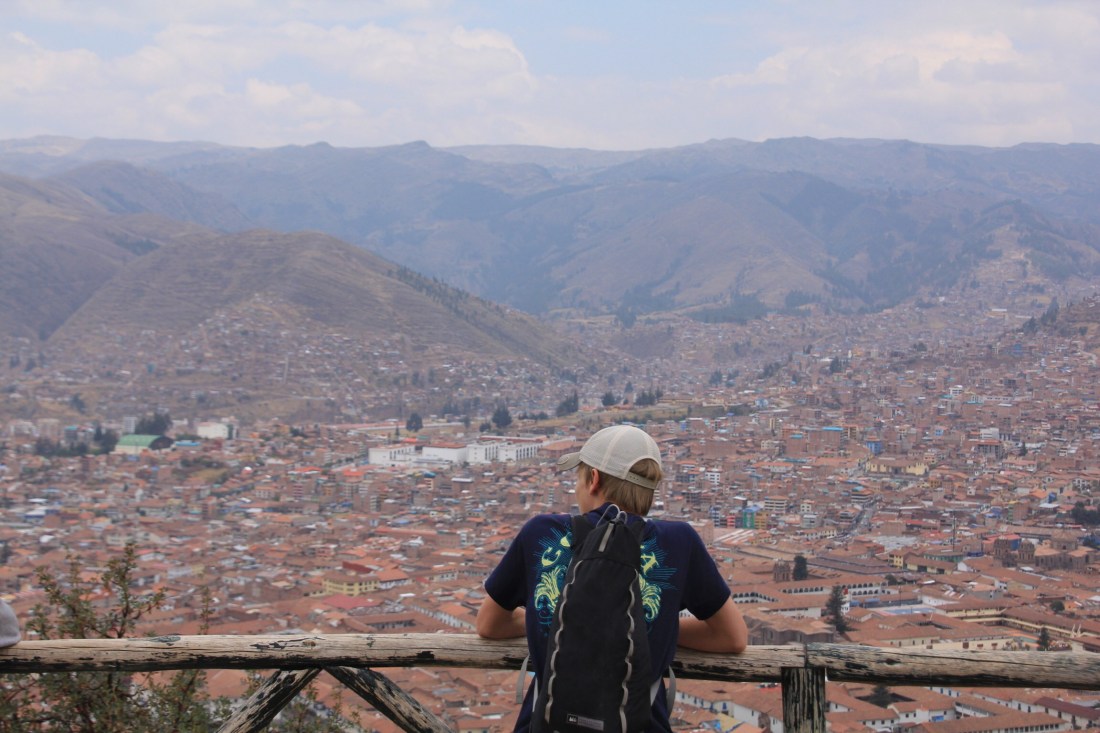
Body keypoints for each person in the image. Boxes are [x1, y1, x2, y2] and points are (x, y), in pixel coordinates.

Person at [477, 424, 747, 733]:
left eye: (578, 478)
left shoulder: (541, 533)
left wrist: (556, 620)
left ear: (593, 480)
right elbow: (732, 637)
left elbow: (489, 624)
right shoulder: (679, 542)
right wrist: (652, 628)